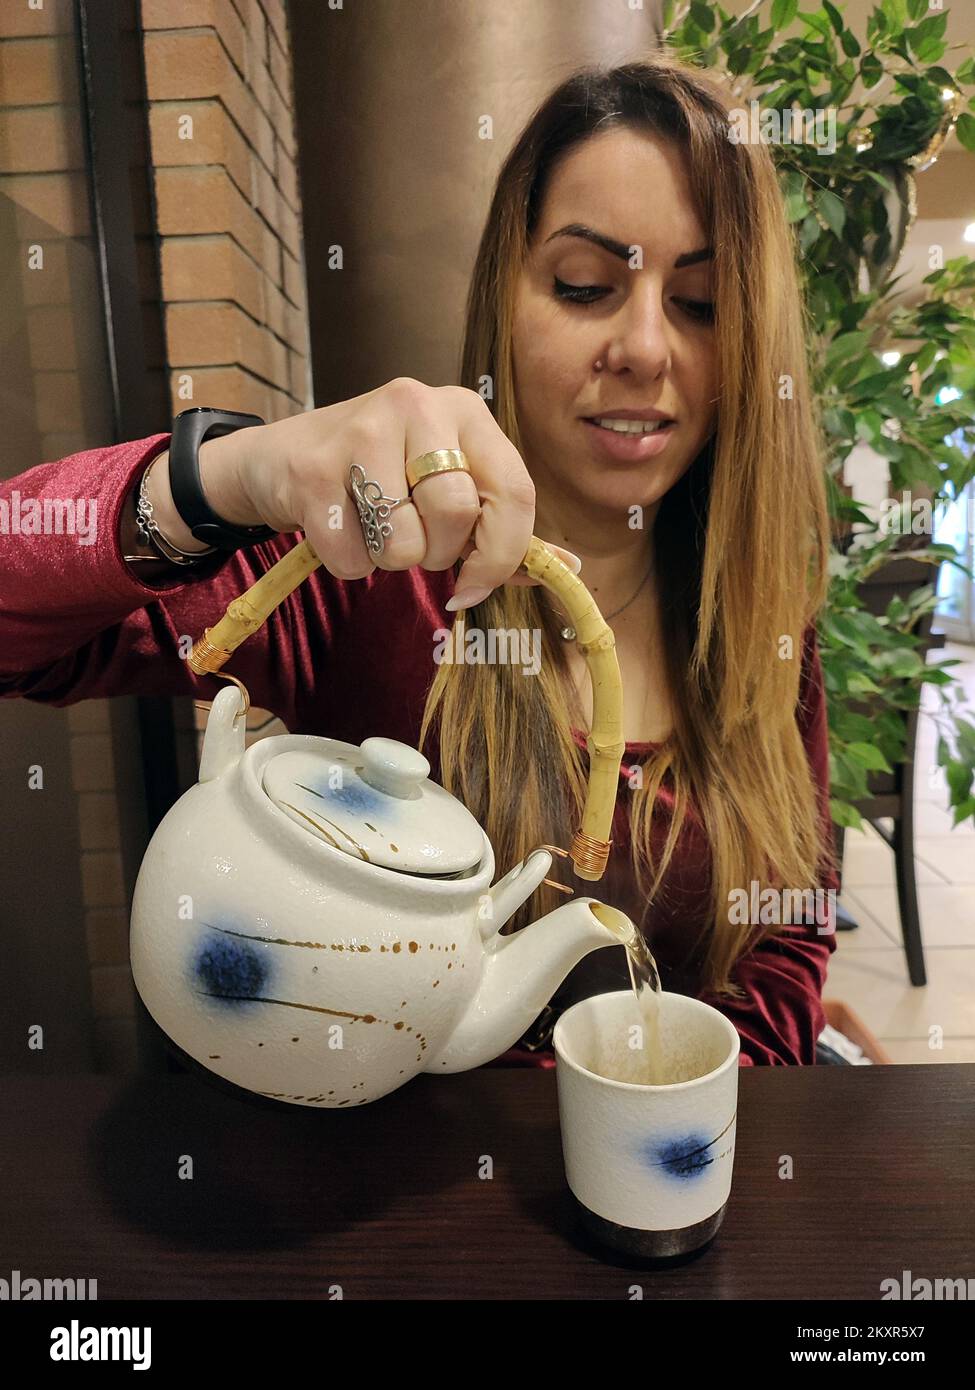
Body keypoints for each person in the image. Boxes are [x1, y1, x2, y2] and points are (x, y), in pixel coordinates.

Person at [0, 53, 839, 1068]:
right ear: (505, 298)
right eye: (585, 286)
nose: (645, 348)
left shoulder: (760, 622)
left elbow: (788, 936)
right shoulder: (366, 573)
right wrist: (223, 476)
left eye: (699, 302)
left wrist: (670, 1108)